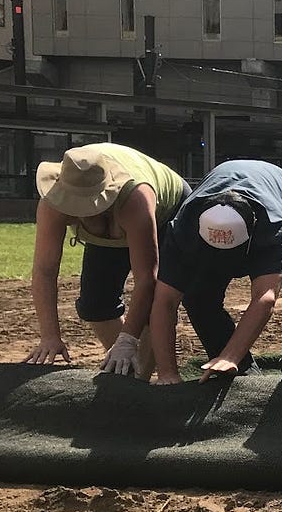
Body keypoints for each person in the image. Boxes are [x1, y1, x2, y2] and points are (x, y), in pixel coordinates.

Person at [150, 159, 282, 384]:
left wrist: (231, 354)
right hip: (232, 199)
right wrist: (167, 373)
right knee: (197, 297)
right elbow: (164, 301)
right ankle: (238, 373)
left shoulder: (273, 226)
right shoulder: (184, 226)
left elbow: (265, 297)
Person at [25, 143, 188, 378]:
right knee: (95, 304)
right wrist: (50, 336)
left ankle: (142, 377)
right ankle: (127, 371)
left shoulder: (136, 199)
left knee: (158, 301)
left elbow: (146, 280)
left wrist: (128, 339)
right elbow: (44, 270)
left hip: (167, 212)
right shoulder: (53, 203)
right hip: (113, 225)